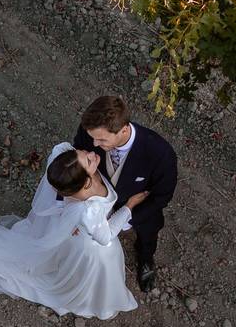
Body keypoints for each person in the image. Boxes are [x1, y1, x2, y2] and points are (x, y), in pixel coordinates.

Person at [0, 143, 142, 320]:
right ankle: (96, 300)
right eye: (88, 161)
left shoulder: (64, 163)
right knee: (100, 275)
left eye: (83, 154)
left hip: (79, 231)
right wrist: (128, 207)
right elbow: (105, 236)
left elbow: (60, 150)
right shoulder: (89, 210)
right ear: (84, 182)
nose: (91, 154)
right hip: (92, 248)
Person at [73, 95, 177, 292]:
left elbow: (162, 195)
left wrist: (128, 218)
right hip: (95, 202)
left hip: (139, 209)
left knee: (148, 234)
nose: (94, 144)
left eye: (102, 139)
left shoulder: (159, 153)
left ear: (123, 129)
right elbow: (77, 155)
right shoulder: (90, 133)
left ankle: (145, 259)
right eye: (93, 137)